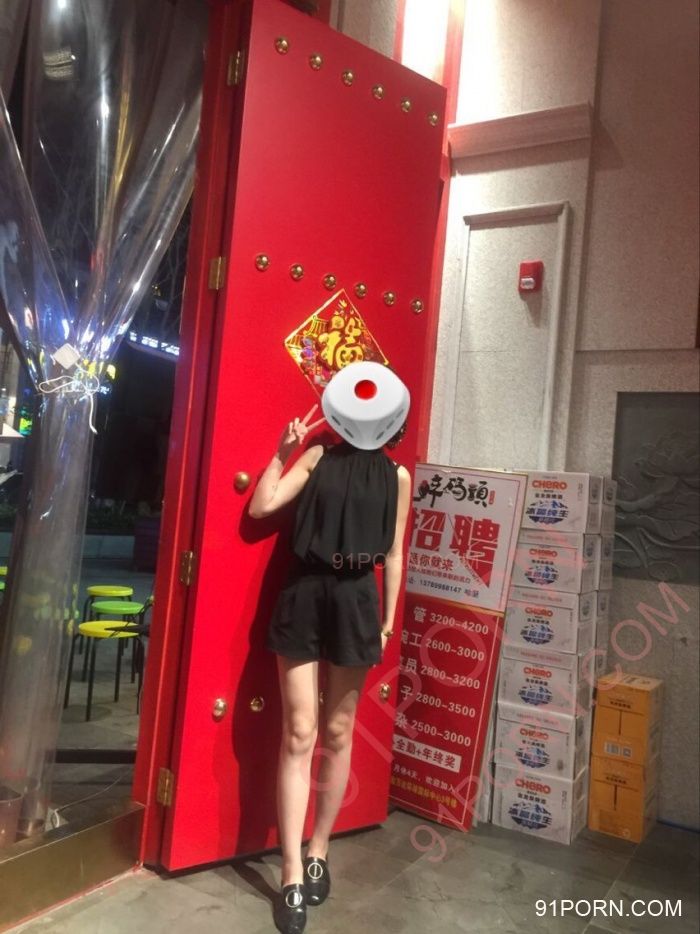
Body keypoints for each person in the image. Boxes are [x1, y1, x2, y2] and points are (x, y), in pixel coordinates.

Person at [248, 395, 411, 934]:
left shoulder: (398, 476)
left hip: (357, 599)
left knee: (339, 732)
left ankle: (319, 849)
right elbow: (261, 507)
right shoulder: (318, 456)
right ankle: (291, 871)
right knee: (299, 733)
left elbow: (394, 552)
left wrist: (388, 620)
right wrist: (283, 451)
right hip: (304, 592)